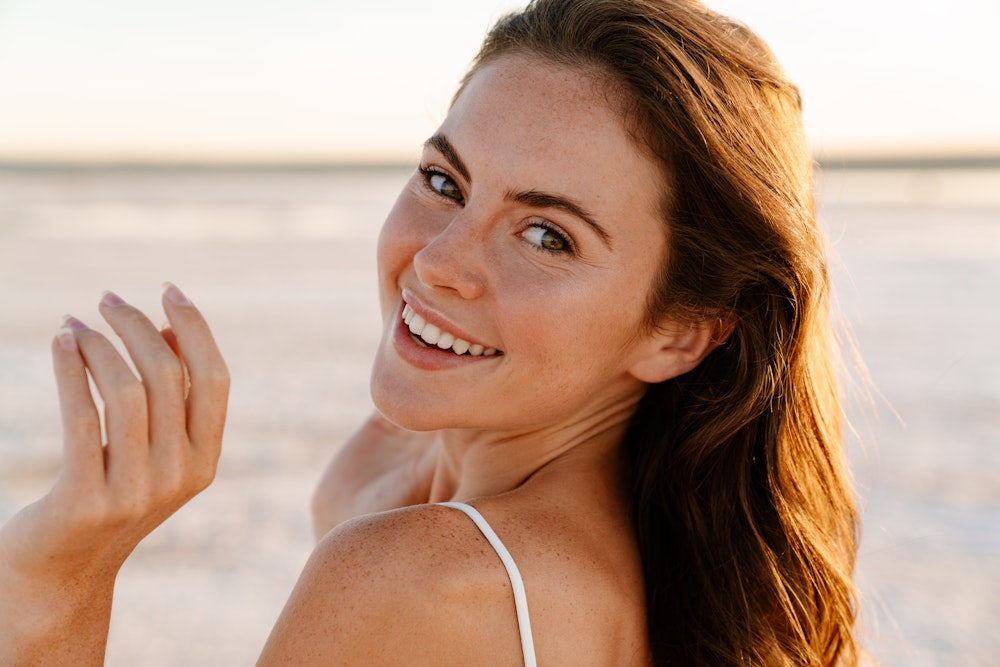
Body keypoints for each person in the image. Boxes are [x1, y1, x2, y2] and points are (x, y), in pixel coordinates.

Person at [0, 0, 860, 664]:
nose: (440, 260)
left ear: (680, 333)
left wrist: (62, 572)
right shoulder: (665, 569)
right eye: (445, 181)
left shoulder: (422, 576)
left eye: (547, 234)